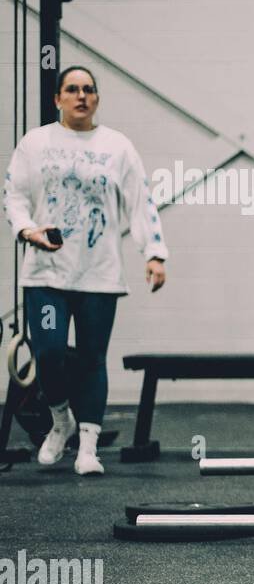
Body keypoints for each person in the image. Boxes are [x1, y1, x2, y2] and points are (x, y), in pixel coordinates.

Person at [3, 66, 168, 474]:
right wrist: (28, 230)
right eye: (72, 89)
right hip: (46, 272)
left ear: (96, 98)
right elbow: (14, 195)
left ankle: (88, 448)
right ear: (58, 98)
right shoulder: (35, 143)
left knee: (94, 357)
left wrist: (154, 253)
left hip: (99, 273)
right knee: (50, 352)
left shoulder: (117, 146)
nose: (82, 96)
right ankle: (61, 421)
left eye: (89, 90)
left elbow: (140, 201)